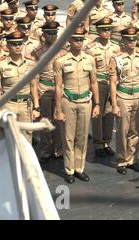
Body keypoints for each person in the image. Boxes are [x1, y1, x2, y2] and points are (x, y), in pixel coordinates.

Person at [54, 26, 100, 184]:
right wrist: (58, 109)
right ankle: (69, 169)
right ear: (69, 40)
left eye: (81, 39)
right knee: (68, 137)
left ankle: (79, 168)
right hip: (69, 101)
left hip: (85, 102)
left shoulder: (90, 59)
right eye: (75, 39)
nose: (79, 42)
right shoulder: (61, 61)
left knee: (82, 137)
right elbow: (58, 86)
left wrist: (97, 104)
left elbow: (94, 82)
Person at [109, 27, 139, 174]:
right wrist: (114, 104)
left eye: (134, 39)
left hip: (137, 97)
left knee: (136, 130)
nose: (132, 42)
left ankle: (132, 159)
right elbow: (113, 83)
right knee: (122, 131)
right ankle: (121, 160)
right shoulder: (116, 59)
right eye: (129, 39)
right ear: (123, 41)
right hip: (123, 97)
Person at [0, 31, 41, 144]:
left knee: (26, 139)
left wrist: (36, 107)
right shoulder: (0, 65)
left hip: (26, 106)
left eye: (20, 43)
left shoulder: (30, 64)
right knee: (8, 140)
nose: (18, 46)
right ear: (8, 46)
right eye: (14, 44)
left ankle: (25, 162)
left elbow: (34, 86)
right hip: (8, 105)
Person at [84, 17, 120, 158]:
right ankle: (98, 143)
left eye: (109, 29)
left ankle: (107, 142)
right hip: (98, 83)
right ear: (98, 31)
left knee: (110, 113)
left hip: (112, 83)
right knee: (98, 114)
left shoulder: (116, 47)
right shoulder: (91, 48)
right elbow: (88, 70)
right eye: (104, 29)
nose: (107, 32)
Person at [32, 22, 64, 163]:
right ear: (43, 35)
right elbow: (35, 75)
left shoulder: (64, 50)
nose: (53, 36)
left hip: (60, 89)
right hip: (44, 89)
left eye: (55, 33)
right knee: (45, 122)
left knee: (59, 121)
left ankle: (58, 149)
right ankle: (45, 150)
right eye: (50, 33)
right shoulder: (38, 52)